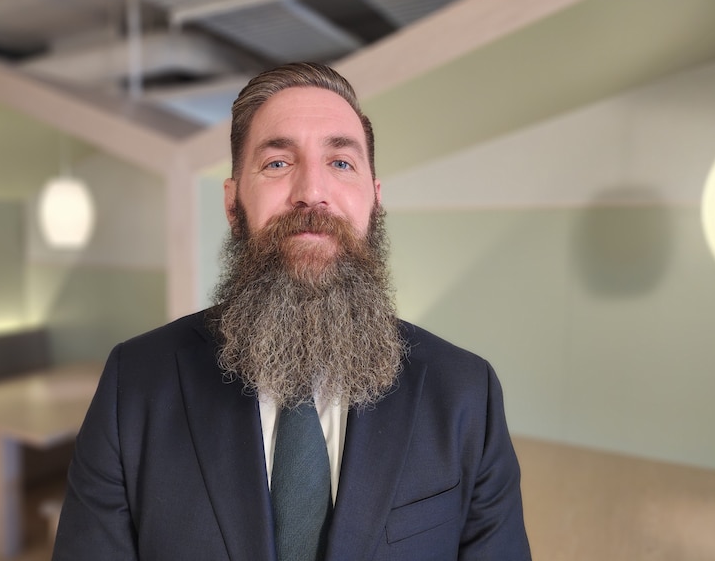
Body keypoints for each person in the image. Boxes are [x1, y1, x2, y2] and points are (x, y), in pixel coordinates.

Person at [52, 62, 531, 561]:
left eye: (341, 163)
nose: (312, 191)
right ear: (233, 203)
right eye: (278, 163)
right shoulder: (134, 386)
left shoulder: (465, 394)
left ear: (375, 200)